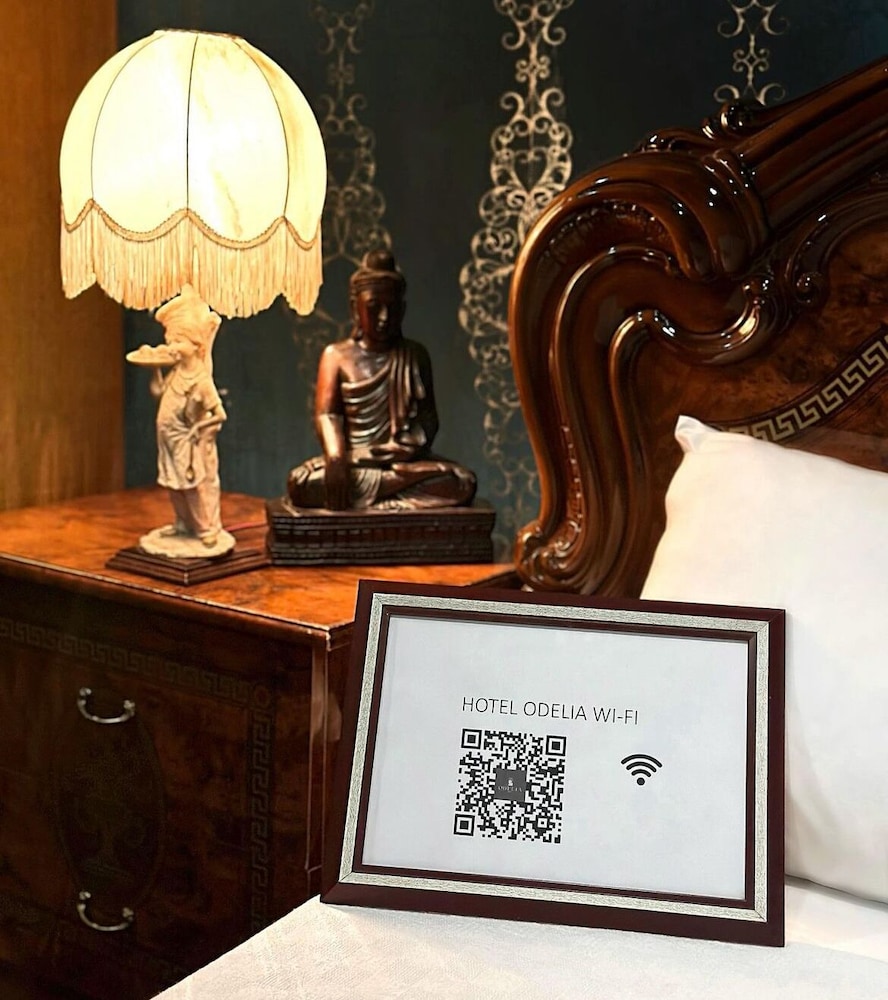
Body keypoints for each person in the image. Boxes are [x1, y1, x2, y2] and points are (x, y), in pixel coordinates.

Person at [287, 249, 477, 510]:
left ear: (403, 310)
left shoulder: (415, 355)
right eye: (374, 307)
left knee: (462, 482)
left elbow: (428, 421)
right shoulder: (336, 356)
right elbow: (327, 415)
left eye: (393, 308)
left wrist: (407, 447)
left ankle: (382, 492)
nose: (384, 317)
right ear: (355, 308)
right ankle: (391, 494)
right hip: (353, 461)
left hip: (401, 463)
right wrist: (335, 457)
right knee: (301, 484)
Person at [145, 285, 228, 549]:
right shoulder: (176, 371)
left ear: (195, 344)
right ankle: (183, 522)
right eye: (170, 341)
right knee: (173, 483)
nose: (171, 346)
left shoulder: (201, 381)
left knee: (190, 484)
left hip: (185, 439)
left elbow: (220, 414)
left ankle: (205, 528)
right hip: (166, 437)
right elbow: (158, 393)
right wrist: (155, 369)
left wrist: (197, 429)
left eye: (177, 341)